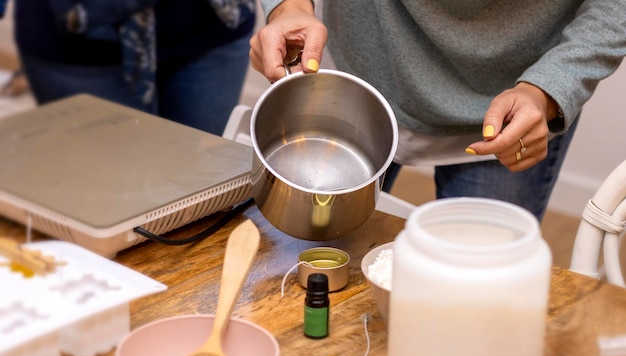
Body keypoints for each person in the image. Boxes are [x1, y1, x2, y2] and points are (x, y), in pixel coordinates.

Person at [249, 0, 626, 221]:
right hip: (354, 70)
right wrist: (289, 7)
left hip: (514, 105)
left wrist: (550, 87)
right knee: (301, 261)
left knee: (475, 293)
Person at [14, 0, 256, 135]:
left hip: (215, 23)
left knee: (207, 185)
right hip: (76, 36)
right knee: (101, 192)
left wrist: (283, 7)